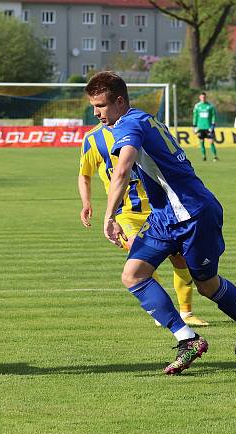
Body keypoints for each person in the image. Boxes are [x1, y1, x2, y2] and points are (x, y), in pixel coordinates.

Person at [85, 71, 236, 375]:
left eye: (101, 105)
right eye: (93, 106)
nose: (96, 113)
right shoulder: (141, 120)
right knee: (133, 274)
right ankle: (188, 339)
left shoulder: (130, 123)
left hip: (195, 214)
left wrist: (109, 215)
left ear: (119, 101)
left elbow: (123, 168)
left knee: (207, 286)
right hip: (164, 216)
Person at [79, 124, 209, 327]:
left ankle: (186, 312)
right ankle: (165, 313)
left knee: (180, 260)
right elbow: (84, 174)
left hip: (159, 210)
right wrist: (86, 203)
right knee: (139, 252)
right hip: (125, 214)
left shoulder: (140, 128)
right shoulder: (93, 138)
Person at [193, 92, 217, 161]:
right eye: (202, 97)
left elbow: (213, 116)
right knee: (201, 142)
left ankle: (215, 156)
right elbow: (195, 116)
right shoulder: (197, 106)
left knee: (211, 141)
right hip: (200, 127)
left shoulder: (210, 106)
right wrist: (194, 126)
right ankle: (204, 156)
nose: (203, 98)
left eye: (204, 97)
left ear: (206, 98)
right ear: (200, 97)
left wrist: (213, 125)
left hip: (208, 127)